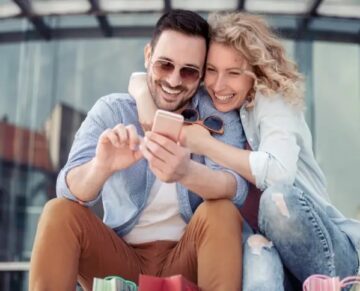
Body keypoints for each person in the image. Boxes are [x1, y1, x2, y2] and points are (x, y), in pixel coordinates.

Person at [132, 12, 360, 291]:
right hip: (263, 244)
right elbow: (143, 78)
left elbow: (278, 175)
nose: (219, 85)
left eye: (234, 73)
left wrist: (204, 144)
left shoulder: (272, 100)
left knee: (276, 202)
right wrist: (144, 102)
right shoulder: (210, 104)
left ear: (256, 73)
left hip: (321, 248)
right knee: (258, 263)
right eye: (212, 70)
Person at [29, 10, 249, 291]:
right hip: (121, 257)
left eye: (189, 71)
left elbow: (236, 187)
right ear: (148, 55)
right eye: (164, 65)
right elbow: (68, 189)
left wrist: (186, 172)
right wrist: (102, 166)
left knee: (221, 211)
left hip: (187, 257)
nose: (173, 80)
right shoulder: (113, 110)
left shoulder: (217, 117)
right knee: (58, 211)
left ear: (201, 73)